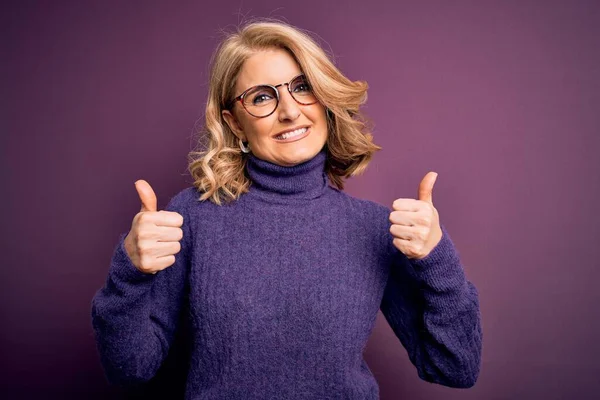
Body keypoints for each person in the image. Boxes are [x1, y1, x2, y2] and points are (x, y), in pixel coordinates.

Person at [91, 19, 482, 399]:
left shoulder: (375, 229)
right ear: (235, 123)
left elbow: (455, 367)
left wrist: (437, 257)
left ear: (325, 99)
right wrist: (130, 272)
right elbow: (130, 368)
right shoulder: (192, 217)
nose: (290, 111)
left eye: (303, 87)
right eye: (262, 97)